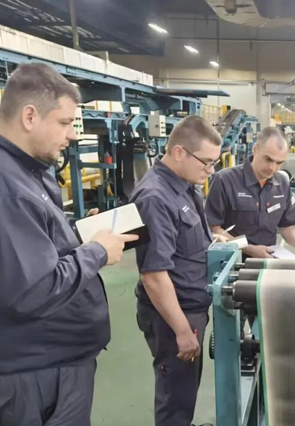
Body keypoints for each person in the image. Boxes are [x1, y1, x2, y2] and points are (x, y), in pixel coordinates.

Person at [0, 63, 136, 426]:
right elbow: (31, 291)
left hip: (45, 359)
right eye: (64, 123)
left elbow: (31, 246)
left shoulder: (22, 169)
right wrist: (96, 252)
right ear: (30, 116)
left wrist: (76, 236)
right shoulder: (1, 183)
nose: (72, 135)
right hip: (35, 368)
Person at [130, 116, 222, 426]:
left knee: (185, 389)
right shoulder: (156, 198)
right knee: (176, 396)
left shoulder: (184, 185)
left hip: (191, 306)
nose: (211, 170)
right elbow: (154, 275)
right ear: (180, 152)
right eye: (207, 162)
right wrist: (182, 331)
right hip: (173, 315)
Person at [205, 126, 295, 259]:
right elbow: (214, 228)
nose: (272, 168)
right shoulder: (225, 180)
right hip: (232, 261)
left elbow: (287, 226)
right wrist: (249, 249)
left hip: (268, 260)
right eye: (268, 159)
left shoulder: (282, 183)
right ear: (255, 149)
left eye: (279, 163)